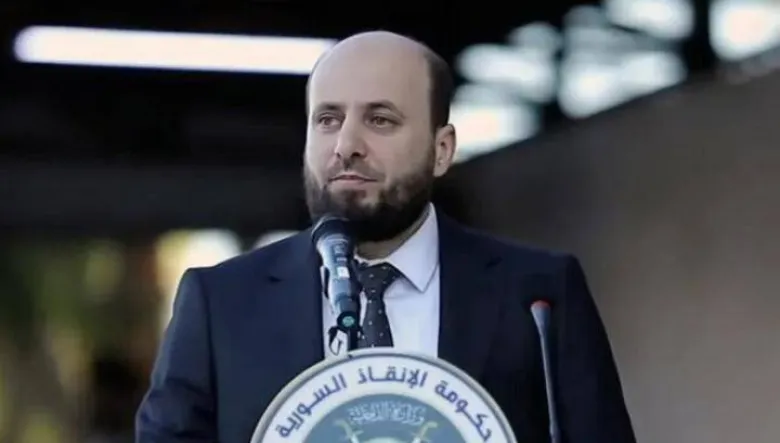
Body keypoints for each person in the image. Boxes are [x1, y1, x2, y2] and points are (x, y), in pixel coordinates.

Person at [136, 31, 636, 443]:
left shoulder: (540, 293)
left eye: (380, 119)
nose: (346, 145)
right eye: (327, 119)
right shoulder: (220, 303)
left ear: (442, 150)